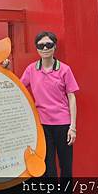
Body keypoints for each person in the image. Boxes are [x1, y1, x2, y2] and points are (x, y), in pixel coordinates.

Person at [20, 31, 78, 180]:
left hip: (63, 125)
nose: (45, 48)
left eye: (48, 44)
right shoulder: (31, 69)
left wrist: (73, 127)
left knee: (66, 165)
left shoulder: (64, 69)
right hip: (42, 125)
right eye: (41, 45)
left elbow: (72, 97)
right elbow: (19, 88)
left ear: (55, 47)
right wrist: (5, 69)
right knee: (48, 165)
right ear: (37, 48)